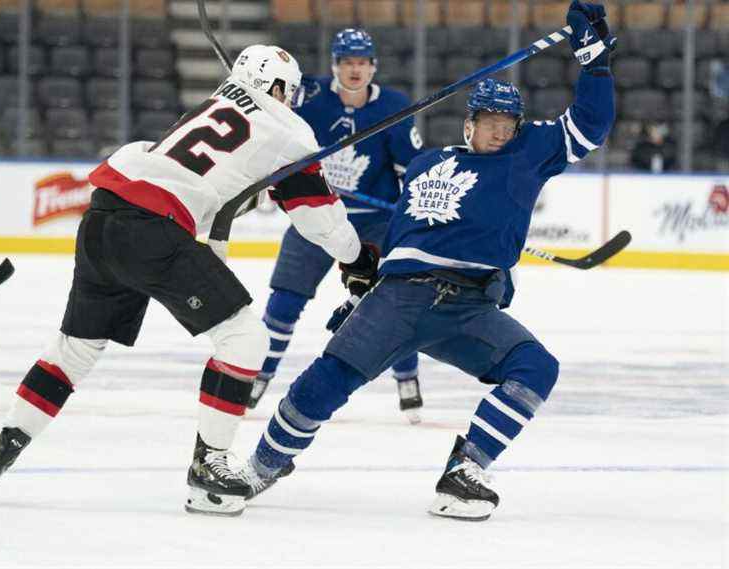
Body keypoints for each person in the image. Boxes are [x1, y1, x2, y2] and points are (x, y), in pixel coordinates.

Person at [237, 1, 616, 521]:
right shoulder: (425, 164)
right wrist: (363, 298)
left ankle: (466, 470)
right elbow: (398, 242)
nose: (500, 131)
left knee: (535, 368)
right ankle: (262, 464)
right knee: (330, 378)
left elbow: (591, 124)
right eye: (490, 121)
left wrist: (594, 63)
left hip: (465, 307)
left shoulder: (527, 154)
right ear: (470, 123)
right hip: (400, 295)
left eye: (509, 122)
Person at [0, 45, 378, 517]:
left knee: (74, 350)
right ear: (281, 88)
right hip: (152, 229)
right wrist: (356, 257)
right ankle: (210, 472)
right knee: (243, 339)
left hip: (103, 217)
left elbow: (206, 185)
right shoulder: (288, 129)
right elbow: (318, 217)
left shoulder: (209, 105)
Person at [250, 28, 427, 423]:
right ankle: (258, 375)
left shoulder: (394, 108)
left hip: (374, 224)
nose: (355, 70)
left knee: (390, 304)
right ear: (335, 65)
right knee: (284, 302)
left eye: (362, 62)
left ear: (373, 67)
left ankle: (407, 377)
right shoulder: (309, 96)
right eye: (347, 62)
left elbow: (412, 174)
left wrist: (410, 217)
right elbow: (270, 104)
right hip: (316, 214)